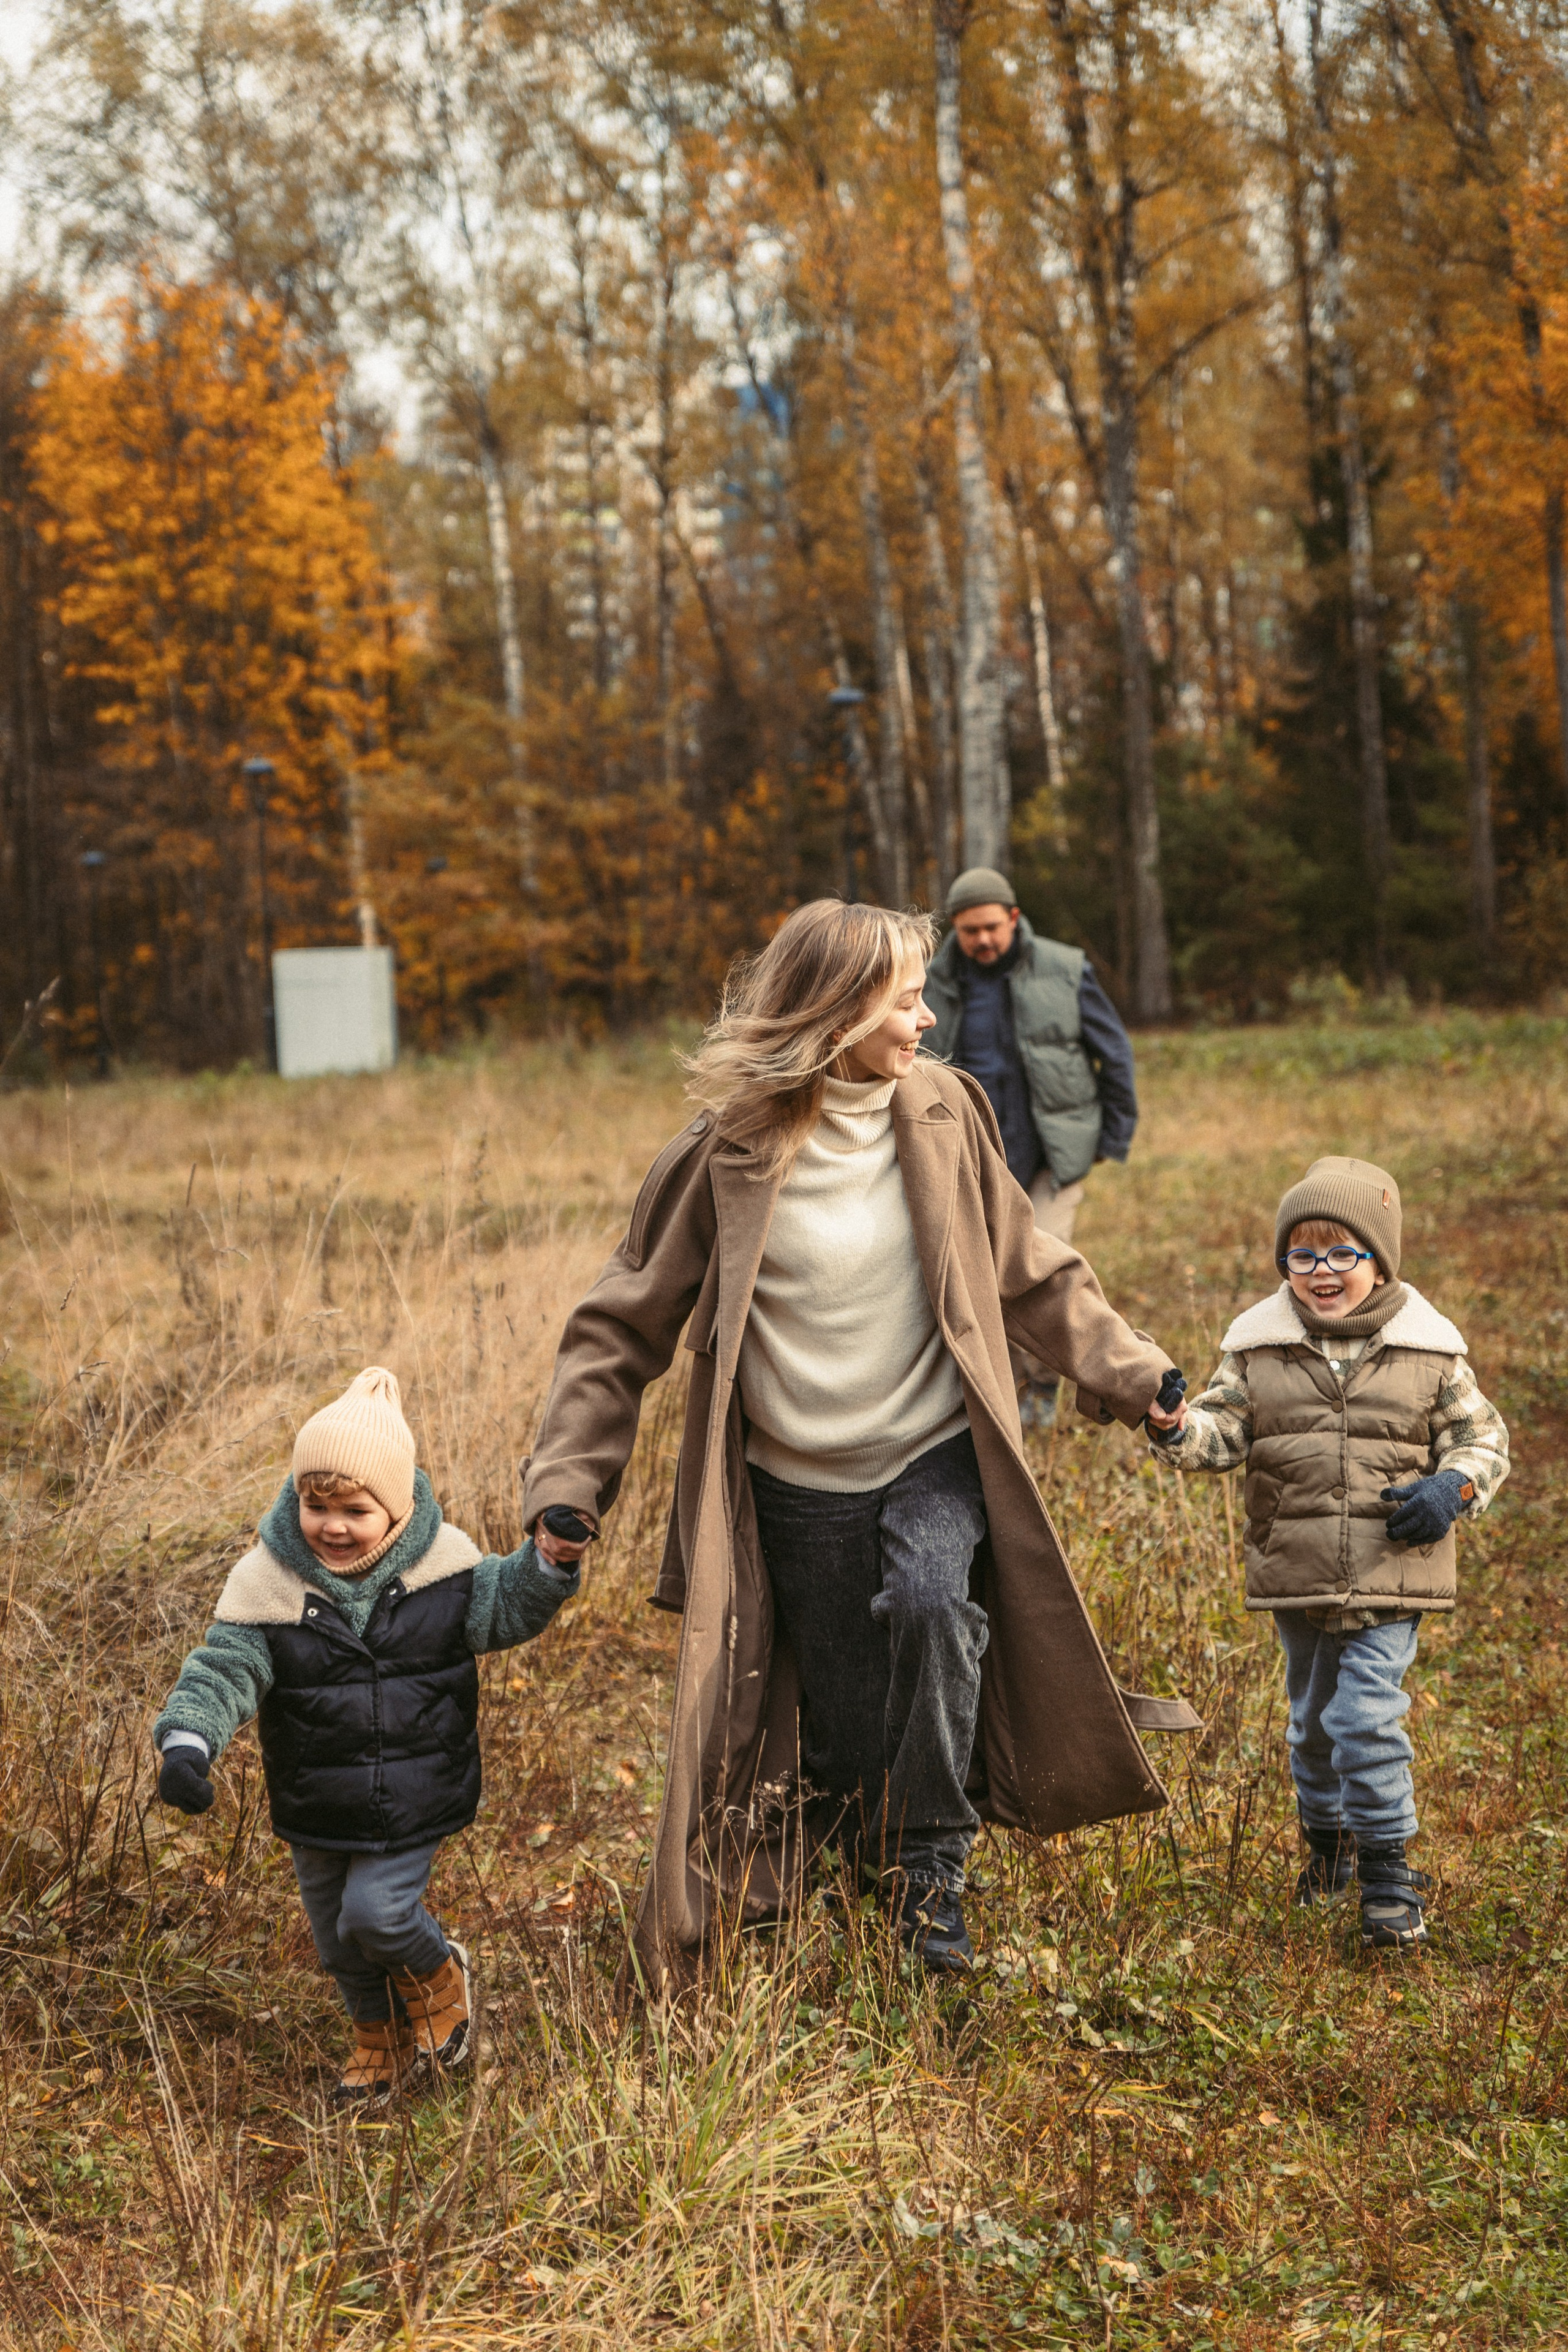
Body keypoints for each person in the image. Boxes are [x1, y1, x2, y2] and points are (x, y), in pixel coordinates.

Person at [523, 900, 1192, 1987]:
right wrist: (568, 1487)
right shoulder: (723, 1155)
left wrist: (1135, 1374)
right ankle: (851, 1858)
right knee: (836, 1721)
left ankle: (932, 1881)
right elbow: (619, 1327)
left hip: (933, 1453)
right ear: (834, 1015)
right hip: (794, 1487)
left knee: (935, 1605)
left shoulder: (942, 1114)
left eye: (926, 995)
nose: (926, 1021)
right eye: (905, 1000)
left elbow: (1031, 1270)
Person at [152, 1366, 579, 2102]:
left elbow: (509, 1605)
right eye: (317, 1505)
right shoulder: (269, 1584)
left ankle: (439, 1969)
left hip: (416, 1788)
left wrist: (549, 1561)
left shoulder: (444, 1570)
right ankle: (378, 2036)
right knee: (337, 1941)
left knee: (376, 1915)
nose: (334, 1525)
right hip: (317, 1799)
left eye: (355, 1508)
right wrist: (188, 1740)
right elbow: (223, 1669)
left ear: (397, 1506)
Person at [1148, 1158, 1510, 1951]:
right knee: (1312, 1727)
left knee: (1362, 1718)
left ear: (1381, 1260)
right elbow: (1221, 1435)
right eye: (1302, 1256)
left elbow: (1483, 1439)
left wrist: (1453, 1488)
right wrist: (1174, 1427)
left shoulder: (1428, 1352)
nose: (1322, 1273)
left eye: (1343, 1254)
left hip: (1393, 1568)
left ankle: (1388, 1876)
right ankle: (1329, 1848)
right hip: (1299, 1571)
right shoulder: (1260, 1349)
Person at [922, 869, 1140, 1431]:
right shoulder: (930, 981)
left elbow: (1112, 1052)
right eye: (970, 931)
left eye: (992, 927)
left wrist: (1111, 1138)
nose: (983, 941)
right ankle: (1002, 1385)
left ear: (1014, 918)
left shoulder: (1065, 969)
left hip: (1050, 1158)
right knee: (978, 1276)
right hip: (968, 1160)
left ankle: (1042, 1389)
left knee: (1038, 1273)